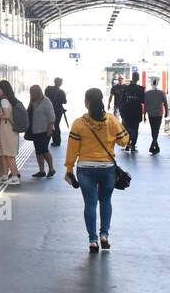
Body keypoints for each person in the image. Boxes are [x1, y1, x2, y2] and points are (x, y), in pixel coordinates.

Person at [65, 87, 130, 253]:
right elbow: (124, 141)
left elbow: (72, 148)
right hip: (107, 168)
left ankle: (93, 240)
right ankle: (104, 235)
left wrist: (69, 168)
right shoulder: (111, 119)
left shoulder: (79, 123)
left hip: (85, 169)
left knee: (90, 204)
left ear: (86, 102)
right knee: (105, 200)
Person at [0, 80, 23, 184]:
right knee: (5, 152)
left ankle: (15, 177)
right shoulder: (11, 100)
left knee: (8, 154)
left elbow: (6, 115)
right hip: (9, 130)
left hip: (7, 130)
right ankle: (5, 175)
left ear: (3, 89)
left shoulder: (4, 101)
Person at [27, 84, 57, 178]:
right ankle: (41, 170)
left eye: (34, 92)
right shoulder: (32, 102)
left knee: (44, 149)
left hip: (45, 130)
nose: (32, 93)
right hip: (35, 130)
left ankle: (51, 169)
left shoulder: (46, 101)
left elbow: (52, 116)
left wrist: (50, 127)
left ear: (39, 91)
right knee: (38, 151)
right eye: (31, 92)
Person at [121, 71, 146, 152]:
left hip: (127, 112)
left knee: (127, 129)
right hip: (136, 112)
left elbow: (122, 101)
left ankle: (128, 144)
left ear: (132, 77)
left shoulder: (125, 88)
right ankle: (133, 145)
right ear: (138, 78)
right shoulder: (141, 89)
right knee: (135, 129)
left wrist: (122, 113)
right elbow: (143, 101)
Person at [144, 77, 168, 154]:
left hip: (150, 114)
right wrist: (166, 112)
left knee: (153, 130)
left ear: (151, 83)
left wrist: (144, 115)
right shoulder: (162, 93)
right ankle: (152, 146)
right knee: (156, 130)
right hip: (158, 114)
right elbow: (165, 103)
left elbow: (145, 105)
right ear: (157, 83)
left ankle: (156, 146)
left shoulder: (147, 93)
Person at [44, 77, 67, 148]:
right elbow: (64, 101)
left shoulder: (48, 89)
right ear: (60, 83)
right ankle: (57, 141)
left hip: (49, 109)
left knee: (48, 125)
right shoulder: (61, 92)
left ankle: (45, 141)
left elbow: (45, 97)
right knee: (56, 125)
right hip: (58, 110)